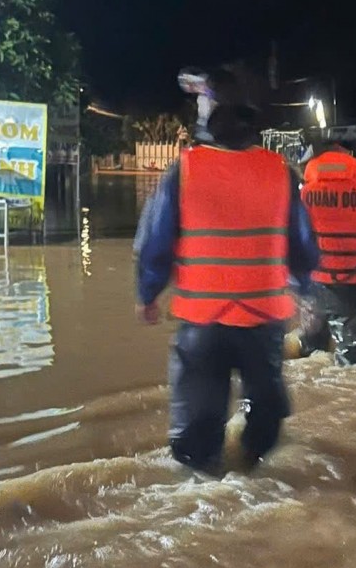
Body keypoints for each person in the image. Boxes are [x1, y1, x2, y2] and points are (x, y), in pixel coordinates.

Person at [135, 67, 320, 474]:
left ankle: (205, 485)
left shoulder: (184, 170)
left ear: (208, 122)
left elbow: (155, 244)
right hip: (264, 323)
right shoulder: (279, 172)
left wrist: (148, 296)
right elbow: (304, 247)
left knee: (198, 430)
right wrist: (308, 292)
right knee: (265, 414)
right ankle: (253, 469)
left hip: (203, 325)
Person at [287, 140, 356, 366]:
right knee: (354, 360)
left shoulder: (304, 193)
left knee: (312, 349)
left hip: (312, 285)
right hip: (352, 282)